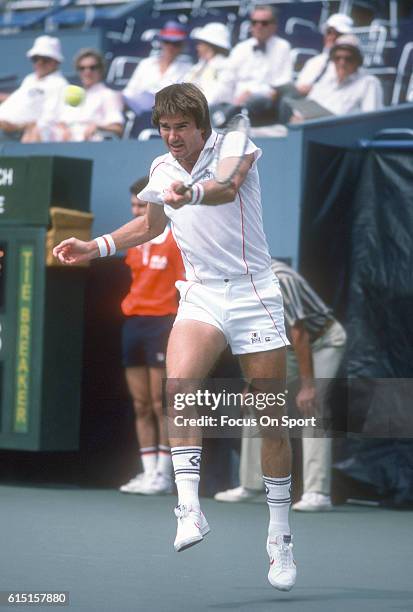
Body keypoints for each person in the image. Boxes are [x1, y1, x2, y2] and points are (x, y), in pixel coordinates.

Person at [53, 83, 296, 592]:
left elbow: (228, 187)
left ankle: (280, 537)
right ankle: (189, 508)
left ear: (201, 126)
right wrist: (94, 246)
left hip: (255, 293)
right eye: (164, 127)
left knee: (271, 420)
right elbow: (148, 227)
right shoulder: (162, 170)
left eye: (180, 127)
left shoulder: (234, 144)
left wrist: (196, 192)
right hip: (202, 293)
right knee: (178, 385)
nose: (171, 136)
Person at [215, 259, 347, 510]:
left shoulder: (280, 280)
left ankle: (318, 493)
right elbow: (255, 336)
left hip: (324, 340)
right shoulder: (238, 285)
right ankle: (252, 485)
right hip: (286, 346)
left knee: (312, 407)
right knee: (259, 400)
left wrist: (308, 387)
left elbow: (300, 333)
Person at [119, 176, 185, 495]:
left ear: (155, 206)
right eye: (132, 205)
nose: (135, 211)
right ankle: (147, 473)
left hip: (162, 323)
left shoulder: (174, 241)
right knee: (141, 403)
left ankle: (164, 473)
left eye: (140, 206)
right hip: (133, 323)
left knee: (162, 403)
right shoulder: (131, 242)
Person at [210, 5, 292, 127]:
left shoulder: (282, 47)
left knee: (253, 101)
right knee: (213, 106)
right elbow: (227, 81)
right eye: (254, 22)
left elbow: (281, 84)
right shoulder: (240, 48)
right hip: (236, 100)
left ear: (274, 26)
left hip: (262, 100)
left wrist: (251, 92)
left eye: (264, 23)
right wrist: (210, 103)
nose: (258, 26)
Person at [283, 34, 383, 121]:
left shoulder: (369, 83)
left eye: (348, 58)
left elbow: (370, 121)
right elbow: (304, 109)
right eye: (337, 58)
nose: (342, 63)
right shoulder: (326, 80)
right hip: (312, 132)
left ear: (357, 61)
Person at [0, 35, 67, 142]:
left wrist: (18, 127)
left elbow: (47, 120)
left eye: (45, 59)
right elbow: (19, 100)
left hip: (19, 137)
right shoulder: (30, 79)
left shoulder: (59, 84)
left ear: (56, 61)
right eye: (35, 59)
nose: (39, 63)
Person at [51, 49, 124, 142]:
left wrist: (98, 127)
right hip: (65, 144)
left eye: (92, 67)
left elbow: (118, 128)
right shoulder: (71, 94)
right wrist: (64, 129)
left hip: (93, 144)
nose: (87, 72)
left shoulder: (109, 95)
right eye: (82, 68)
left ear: (101, 70)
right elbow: (61, 121)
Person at [122, 21, 192, 117]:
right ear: (161, 43)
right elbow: (130, 92)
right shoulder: (146, 64)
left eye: (176, 43)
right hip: (139, 112)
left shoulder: (188, 69)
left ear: (182, 46)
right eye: (167, 42)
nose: (170, 47)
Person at [295, 13, 354, 96]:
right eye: (329, 32)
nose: (332, 37)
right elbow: (298, 86)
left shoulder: (350, 66)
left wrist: (313, 90)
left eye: (338, 34)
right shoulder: (313, 62)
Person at [184, 22, 231, 105]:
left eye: (201, 43)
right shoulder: (199, 66)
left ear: (210, 46)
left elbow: (213, 98)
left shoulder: (225, 67)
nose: (197, 47)